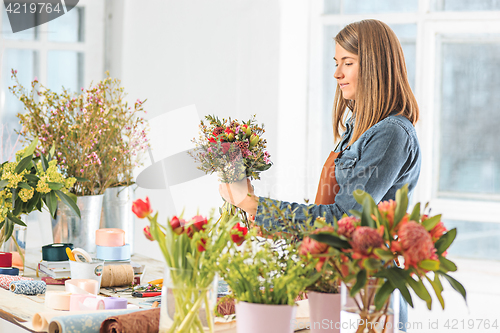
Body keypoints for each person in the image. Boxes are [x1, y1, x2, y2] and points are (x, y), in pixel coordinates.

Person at [219, 19, 420, 332]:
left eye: (348, 63)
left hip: (370, 292)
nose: (337, 73)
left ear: (374, 66)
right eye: (336, 63)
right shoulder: (356, 129)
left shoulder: (391, 134)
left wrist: (256, 206)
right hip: (338, 281)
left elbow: (343, 219)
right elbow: (331, 206)